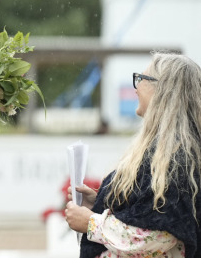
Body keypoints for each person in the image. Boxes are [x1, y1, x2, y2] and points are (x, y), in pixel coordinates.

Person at [65, 52, 201, 258]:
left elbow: (161, 235)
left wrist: (93, 223)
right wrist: (99, 203)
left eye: (141, 79)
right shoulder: (166, 152)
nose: (136, 87)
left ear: (164, 90)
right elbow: (146, 212)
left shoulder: (179, 159)